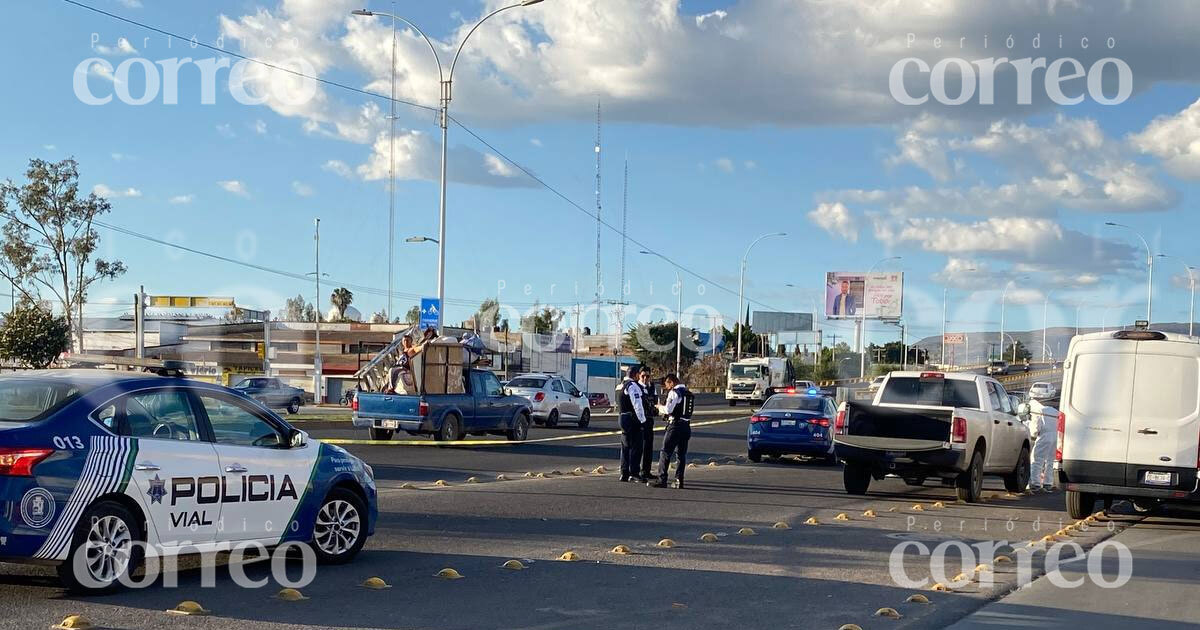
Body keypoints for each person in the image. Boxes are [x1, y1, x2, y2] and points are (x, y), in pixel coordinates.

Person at [650, 373, 693, 489]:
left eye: (667, 385)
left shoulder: (674, 393)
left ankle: (662, 479)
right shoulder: (688, 393)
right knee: (681, 455)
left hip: (675, 426)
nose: (667, 388)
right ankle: (679, 480)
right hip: (686, 426)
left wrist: (659, 407)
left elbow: (668, 409)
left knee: (665, 452)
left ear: (671, 382)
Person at [617, 365, 648, 482]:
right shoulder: (632, 386)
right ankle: (634, 473)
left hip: (622, 417)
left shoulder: (620, 385)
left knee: (625, 446)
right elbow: (637, 405)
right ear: (635, 375)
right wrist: (643, 420)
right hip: (631, 418)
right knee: (637, 445)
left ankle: (624, 472)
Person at [1028, 394, 1059, 492]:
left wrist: (1033, 435)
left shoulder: (1040, 411)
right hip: (1056, 437)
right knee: (1050, 461)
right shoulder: (1056, 412)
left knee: (1037, 459)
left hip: (1044, 436)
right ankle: (1048, 483)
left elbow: (1036, 427)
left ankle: (1035, 483)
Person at [638, 368, 659, 481]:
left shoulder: (652, 387)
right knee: (638, 447)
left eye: (648, 376)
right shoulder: (636, 387)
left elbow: (655, 401)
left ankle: (646, 471)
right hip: (639, 421)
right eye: (643, 376)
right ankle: (636, 472)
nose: (645, 378)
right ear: (639, 376)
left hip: (649, 420)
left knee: (648, 447)